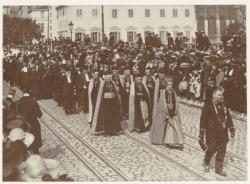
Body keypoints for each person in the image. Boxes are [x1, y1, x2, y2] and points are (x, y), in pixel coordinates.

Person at [199, 87, 235, 176]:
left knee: (222, 150)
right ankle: (207, 162)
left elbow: (229, 117)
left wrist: (232, 129)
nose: (220, 97)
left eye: (221, 94)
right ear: (213, 95)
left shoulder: (224, 105)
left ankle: (218, 169)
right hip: (212, 132)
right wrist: (201, 133)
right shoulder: (208, 105)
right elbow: (203, 119)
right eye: (218, 95)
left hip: (223, 132)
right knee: (211, 149)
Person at [91, 71, 122, 135]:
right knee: (106, 117)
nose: (109, 79)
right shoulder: (102, 84)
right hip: (105, 104)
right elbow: (100, 95)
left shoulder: (113, 83)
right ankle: (107, 131)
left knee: (113, 117)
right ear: (105, 78)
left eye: (110, 77)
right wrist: (106, 96)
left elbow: (115, 92)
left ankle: (114, 130)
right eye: (107, 77)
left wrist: (114, 96)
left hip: (112, 103)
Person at [15, 88, 43, 154]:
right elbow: (39, 114)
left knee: (25, 140)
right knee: (35, 139)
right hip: (33, 123)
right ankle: (36, 154)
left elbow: (16, 113)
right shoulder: (33, 101)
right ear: (29, 92)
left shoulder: (19, 101)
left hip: (24, 124)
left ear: (23, 92)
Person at [162, 77, 184, 149]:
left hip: (173, 111)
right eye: (169, 85)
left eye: (171, 85)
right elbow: (164, 103)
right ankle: (169, 141)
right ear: (166, 85)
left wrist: (176, 110)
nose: (170, 86)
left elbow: (176, 102)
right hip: (167, 111)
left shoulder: (173, 92)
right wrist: (166, 112)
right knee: (169, 127)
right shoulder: (164, 92)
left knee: (175, 126)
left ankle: (177, 141)